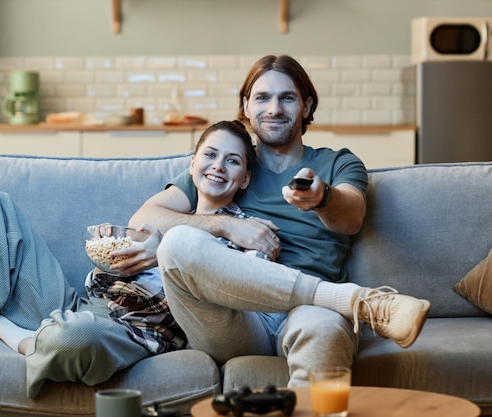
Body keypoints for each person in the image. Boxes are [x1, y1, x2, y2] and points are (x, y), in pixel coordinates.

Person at [0, 119, 265, 398]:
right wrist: (115, 252)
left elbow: (229, 296)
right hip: (81, 302)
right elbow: (128, 255)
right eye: (210, 154)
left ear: (245, 178)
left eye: (232, 161)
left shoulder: (245, 230)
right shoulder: (166, 214)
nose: (218, 165)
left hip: (135, 331)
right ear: (192, 164)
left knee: (77, 336)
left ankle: (14, 334)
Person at [126, 54, 431, 386]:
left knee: (324, 330)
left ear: (306, 106)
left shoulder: (337, 163)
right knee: (178, 242)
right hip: (234, 317)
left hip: (307, 314)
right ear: (245, 105)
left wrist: (322, 198)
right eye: (262, 97)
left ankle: (334, 309)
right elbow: (146, 218)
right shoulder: (230, 164)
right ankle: (359, 302)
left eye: (286, 97)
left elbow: (352, 218)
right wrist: (227, 225)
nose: (273, 109)